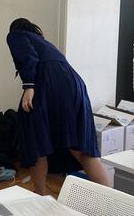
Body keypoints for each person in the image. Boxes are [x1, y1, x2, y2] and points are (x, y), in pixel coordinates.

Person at [6, 18, 110, 195]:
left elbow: (28, 57)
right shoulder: (44, 43)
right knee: (79, 148)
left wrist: (29, 86)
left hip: (49, 86)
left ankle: (40, 196)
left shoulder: (15, 34)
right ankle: (112, 198)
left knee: (36, 141)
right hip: (73, 86)